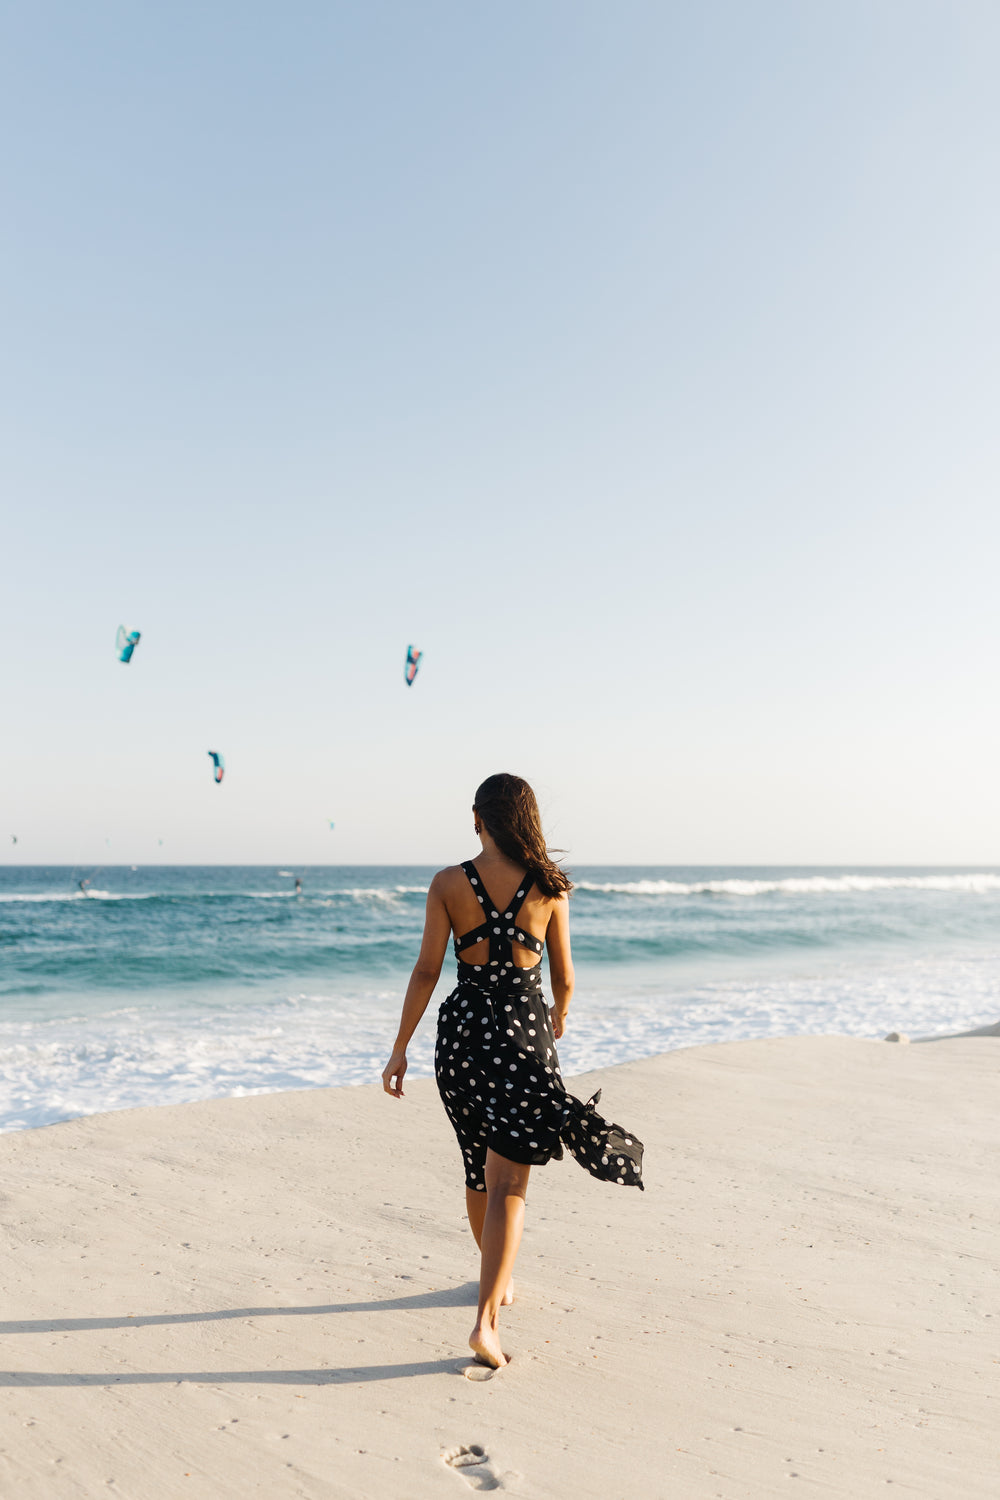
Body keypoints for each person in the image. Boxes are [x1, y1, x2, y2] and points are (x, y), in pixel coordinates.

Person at [382, 772, 579, 1371]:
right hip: (522, 1037)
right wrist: (558, 1018)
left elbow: (425, 971)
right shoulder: (549, 887)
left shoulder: (448, 882)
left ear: (477, 818)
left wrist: (399, 1049)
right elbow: (564, 980)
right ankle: (486, 1321)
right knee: (510, 1183)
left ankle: (495, 1281)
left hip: (461, 1040)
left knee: (478, 1168)